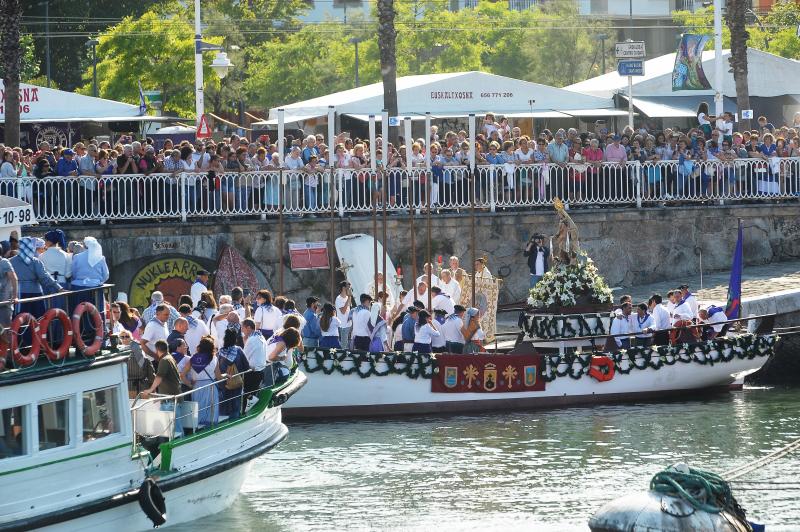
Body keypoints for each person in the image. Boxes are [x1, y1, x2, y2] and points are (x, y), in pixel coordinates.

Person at [10, 236, 61, 319]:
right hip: (36, 292)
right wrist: (58, 287)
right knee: (37, 317)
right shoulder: (36, 261)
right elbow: (45, 277)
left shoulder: (11, 261)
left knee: (20, 318)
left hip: (18, 293)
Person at [181, 335, 219, 426]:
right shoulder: (214, 358)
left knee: (198, 408)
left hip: (197, 387)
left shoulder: (193, 359)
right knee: (211, 409)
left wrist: (189, 384)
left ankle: (197, 427)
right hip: (211, 387)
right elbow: (219, 376)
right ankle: (211, 427)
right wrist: (227, 376)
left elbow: (182, 375)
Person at [70, 237, 109, 317]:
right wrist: (99, 281)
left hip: (78, 287)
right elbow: (106, 275)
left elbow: (73, 273)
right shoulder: (100, 258)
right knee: (96, 311)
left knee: (79, 310)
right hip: (95, 287)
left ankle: (80, 328)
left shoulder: (77, 257)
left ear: (84, 245)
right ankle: (97, 327)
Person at [216, 328, 250, 420]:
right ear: (235, 339)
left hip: (223, 383)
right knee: (235, 404)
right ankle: (235, 420)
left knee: (223, 404)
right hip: (236, 382)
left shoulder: (220, 352)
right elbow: (247, 366)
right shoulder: (238, 350)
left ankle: (222, 422)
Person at [241, 318, 268, 411]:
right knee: (252, 392)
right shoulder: (261, 336)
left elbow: (244, 357)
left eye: (243, 328)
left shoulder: (252, 339)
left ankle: (243, 412)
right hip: (260, 371)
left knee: (246, 394)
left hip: (252, 372)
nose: (242, 330)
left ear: (248, 328)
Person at [120, 330, 154, 398]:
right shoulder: (118, 352)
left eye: (127, 336)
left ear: (131, 337)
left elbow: (145, 365)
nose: (124, 339)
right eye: (122, 337)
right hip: (128, 386)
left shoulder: (138, 348)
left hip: (142, 385)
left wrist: (152, 386)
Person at [0, 255, 17, 329]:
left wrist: (15, 296)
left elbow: (14, 278)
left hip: (4, 303)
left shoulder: (4, 262)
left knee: (6, 330)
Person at [335, 281, 353, 347]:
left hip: (349, 324)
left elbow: (349, 307)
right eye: (348, 287)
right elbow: (343, 311)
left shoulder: (347, 297)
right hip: (343, 325)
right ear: (343, 288)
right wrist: (349, 297)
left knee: (349, 345)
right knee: (344, 346)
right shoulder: (339, 299)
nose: (350, 289)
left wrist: (349, 297)